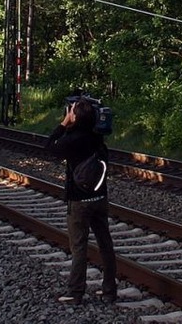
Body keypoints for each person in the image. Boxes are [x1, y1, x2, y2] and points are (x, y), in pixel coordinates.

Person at [45, 99, 117, 305]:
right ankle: (109, 291)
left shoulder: (71, 139)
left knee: (79, 247)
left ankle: (75, 292)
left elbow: (49, 147)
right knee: (105, 244)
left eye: (72, 112)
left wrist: (63, 123)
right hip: (100, 197)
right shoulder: (97, 137)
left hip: (79, 201)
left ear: (74, 116)